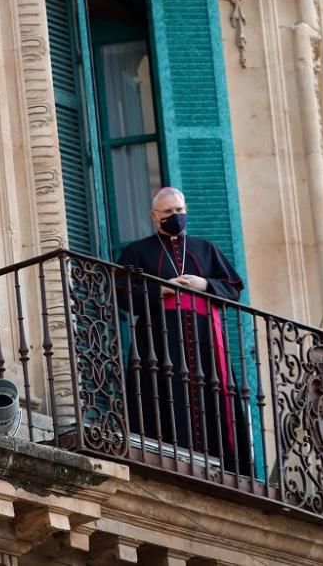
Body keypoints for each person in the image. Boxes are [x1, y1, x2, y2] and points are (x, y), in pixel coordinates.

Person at [116, 187, 251, 475]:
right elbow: (121, 291)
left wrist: (205, 285)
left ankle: (221, 464)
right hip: (159, 341)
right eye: (168, 212)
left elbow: (234, 289)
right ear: (155, 216)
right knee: (163, 395)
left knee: (210, 398)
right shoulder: (139, 251)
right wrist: (163, 288)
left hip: (205, 343)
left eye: (179, 211)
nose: (175, 217)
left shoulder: (206, 249)